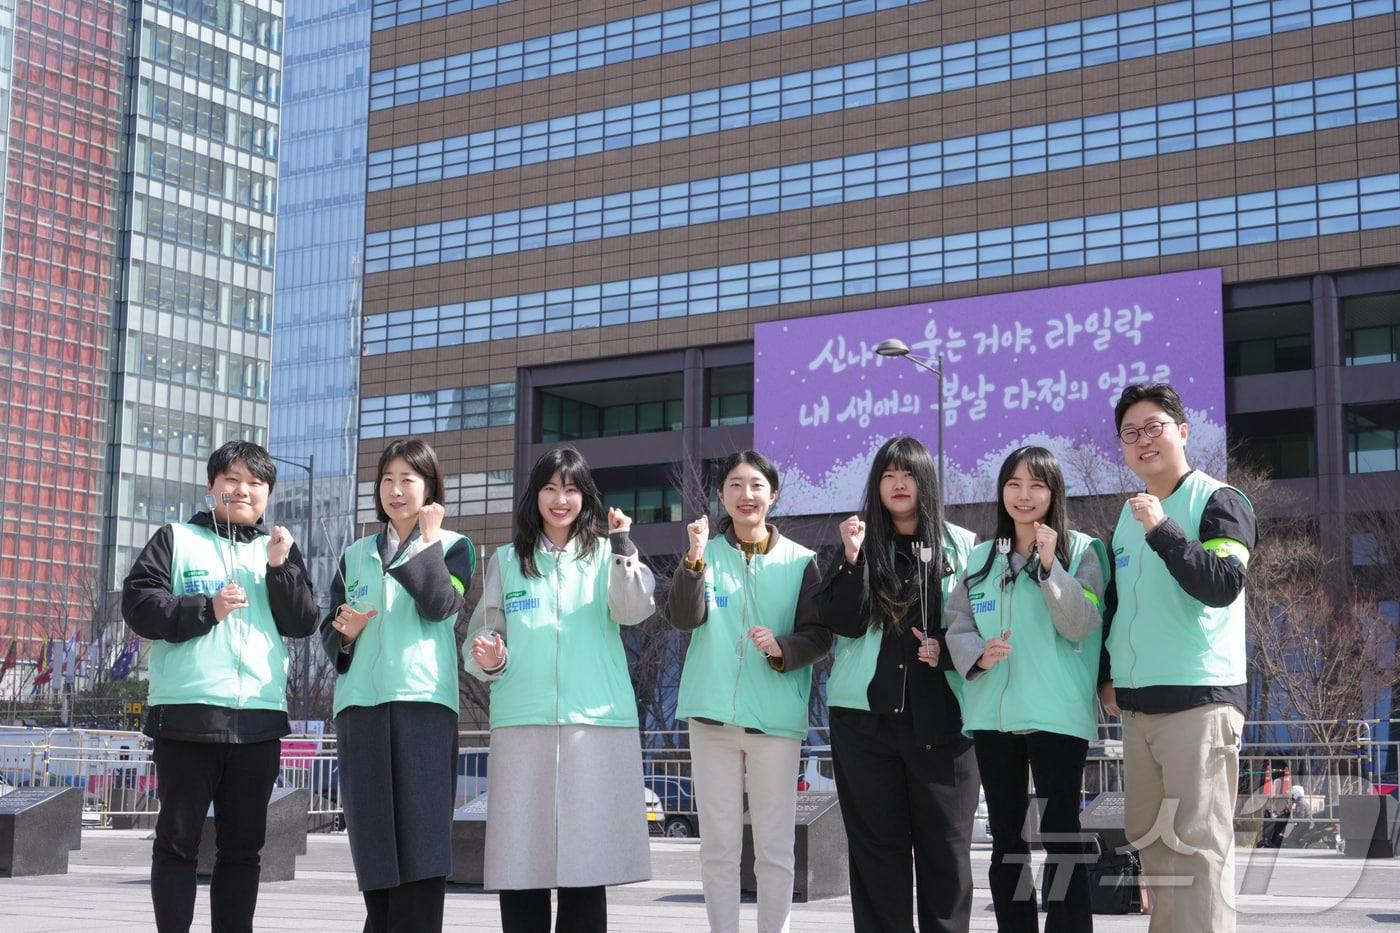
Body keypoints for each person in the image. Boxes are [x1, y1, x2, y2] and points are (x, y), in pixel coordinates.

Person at [122, 440, 320, 933]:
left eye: (255, 483)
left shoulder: (278, 549)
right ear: (212, 486)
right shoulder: (176, 538)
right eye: (232, 479)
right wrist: (204, 610)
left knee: (244, 849)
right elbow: (139, 606)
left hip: (257, 720)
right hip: (187, 718)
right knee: (177, 843)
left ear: (268, 494)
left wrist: (279, 569)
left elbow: (302, 622)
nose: (243, 490)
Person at [463, 445, 656, 933]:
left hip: (593, 724)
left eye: (570, 489)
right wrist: (492, 655)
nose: (560, 499)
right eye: (550, 488)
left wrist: (623, 546)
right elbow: (484, 637)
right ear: (536, 497)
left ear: (584, 497)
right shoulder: (508, 561)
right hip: (522, 724)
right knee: (521, 864)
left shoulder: (607, 555)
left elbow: (634, 610)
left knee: (584, 867)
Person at [1098, 382, 1256, 933]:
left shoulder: (1219, 500)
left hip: (1199, 703)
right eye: (1130, 433)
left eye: (1154, 427)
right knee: (1156, 848)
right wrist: (1107, 678)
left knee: (1198, 849)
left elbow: (1221, 583)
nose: (1143, 440)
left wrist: (1161, 530)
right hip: (1139, 707)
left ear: (1183, 432)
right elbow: (1117, 605)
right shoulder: (1125, 516)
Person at [816, 435, 980, 933]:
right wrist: (850, 559)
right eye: (888, 475)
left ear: (925, 481)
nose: (898, 484)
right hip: (865, 725)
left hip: (946, 725)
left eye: (907, 474)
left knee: (946, 854)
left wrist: (946, 653)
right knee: (876, 856)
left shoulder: (965, 545)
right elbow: (839, 621)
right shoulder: (857, 544)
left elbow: (978, 628)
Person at [945, 445, 1109, 933]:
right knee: (1007, 842)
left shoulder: (1084, 550)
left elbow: (1080, 624)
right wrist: (978, 652)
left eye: (1036, 485)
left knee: (1062, 836)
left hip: (1056, 716)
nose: (1023, 495)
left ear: (1054, 493)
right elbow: (955, 621)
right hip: (993, 717)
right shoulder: (979, 558)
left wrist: (1047, 566)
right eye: (1013, 484)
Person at [668, 449, 831, 933]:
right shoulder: (703, 553)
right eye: (735, 485)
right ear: (721, 496)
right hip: (711, 720)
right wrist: (693, 560)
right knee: (717, 845)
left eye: (756, 484)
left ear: (773, 495)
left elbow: (820, 636)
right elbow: (682, 617)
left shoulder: (801, 562)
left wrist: (780, 648)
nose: (746, 494)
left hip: (773, 721)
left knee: (774, 846)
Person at [322, 438, 475, 932]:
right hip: (361, 710)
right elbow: (331, 634)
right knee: (375, 846)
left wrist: (426, 543)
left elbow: (438, 604)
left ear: (430, 487)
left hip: (423, 705)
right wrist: (342, 633)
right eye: (387, 479)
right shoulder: (354, 554)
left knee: (423, 844)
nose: (395, 489)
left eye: (408, 479)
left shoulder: (455, 547)